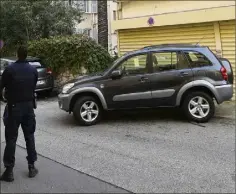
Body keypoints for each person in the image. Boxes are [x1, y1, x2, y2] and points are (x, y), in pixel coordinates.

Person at [0, 46, 38, 182]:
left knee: (11, 138)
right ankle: (32, 167)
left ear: (17, 54)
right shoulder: (33, 70)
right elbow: (33, 86)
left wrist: (5, 95)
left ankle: (9, 171)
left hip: (14, 107)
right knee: (30, 136)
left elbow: (1, 86)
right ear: (26, 55)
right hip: (28, 107)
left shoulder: (9, 70)